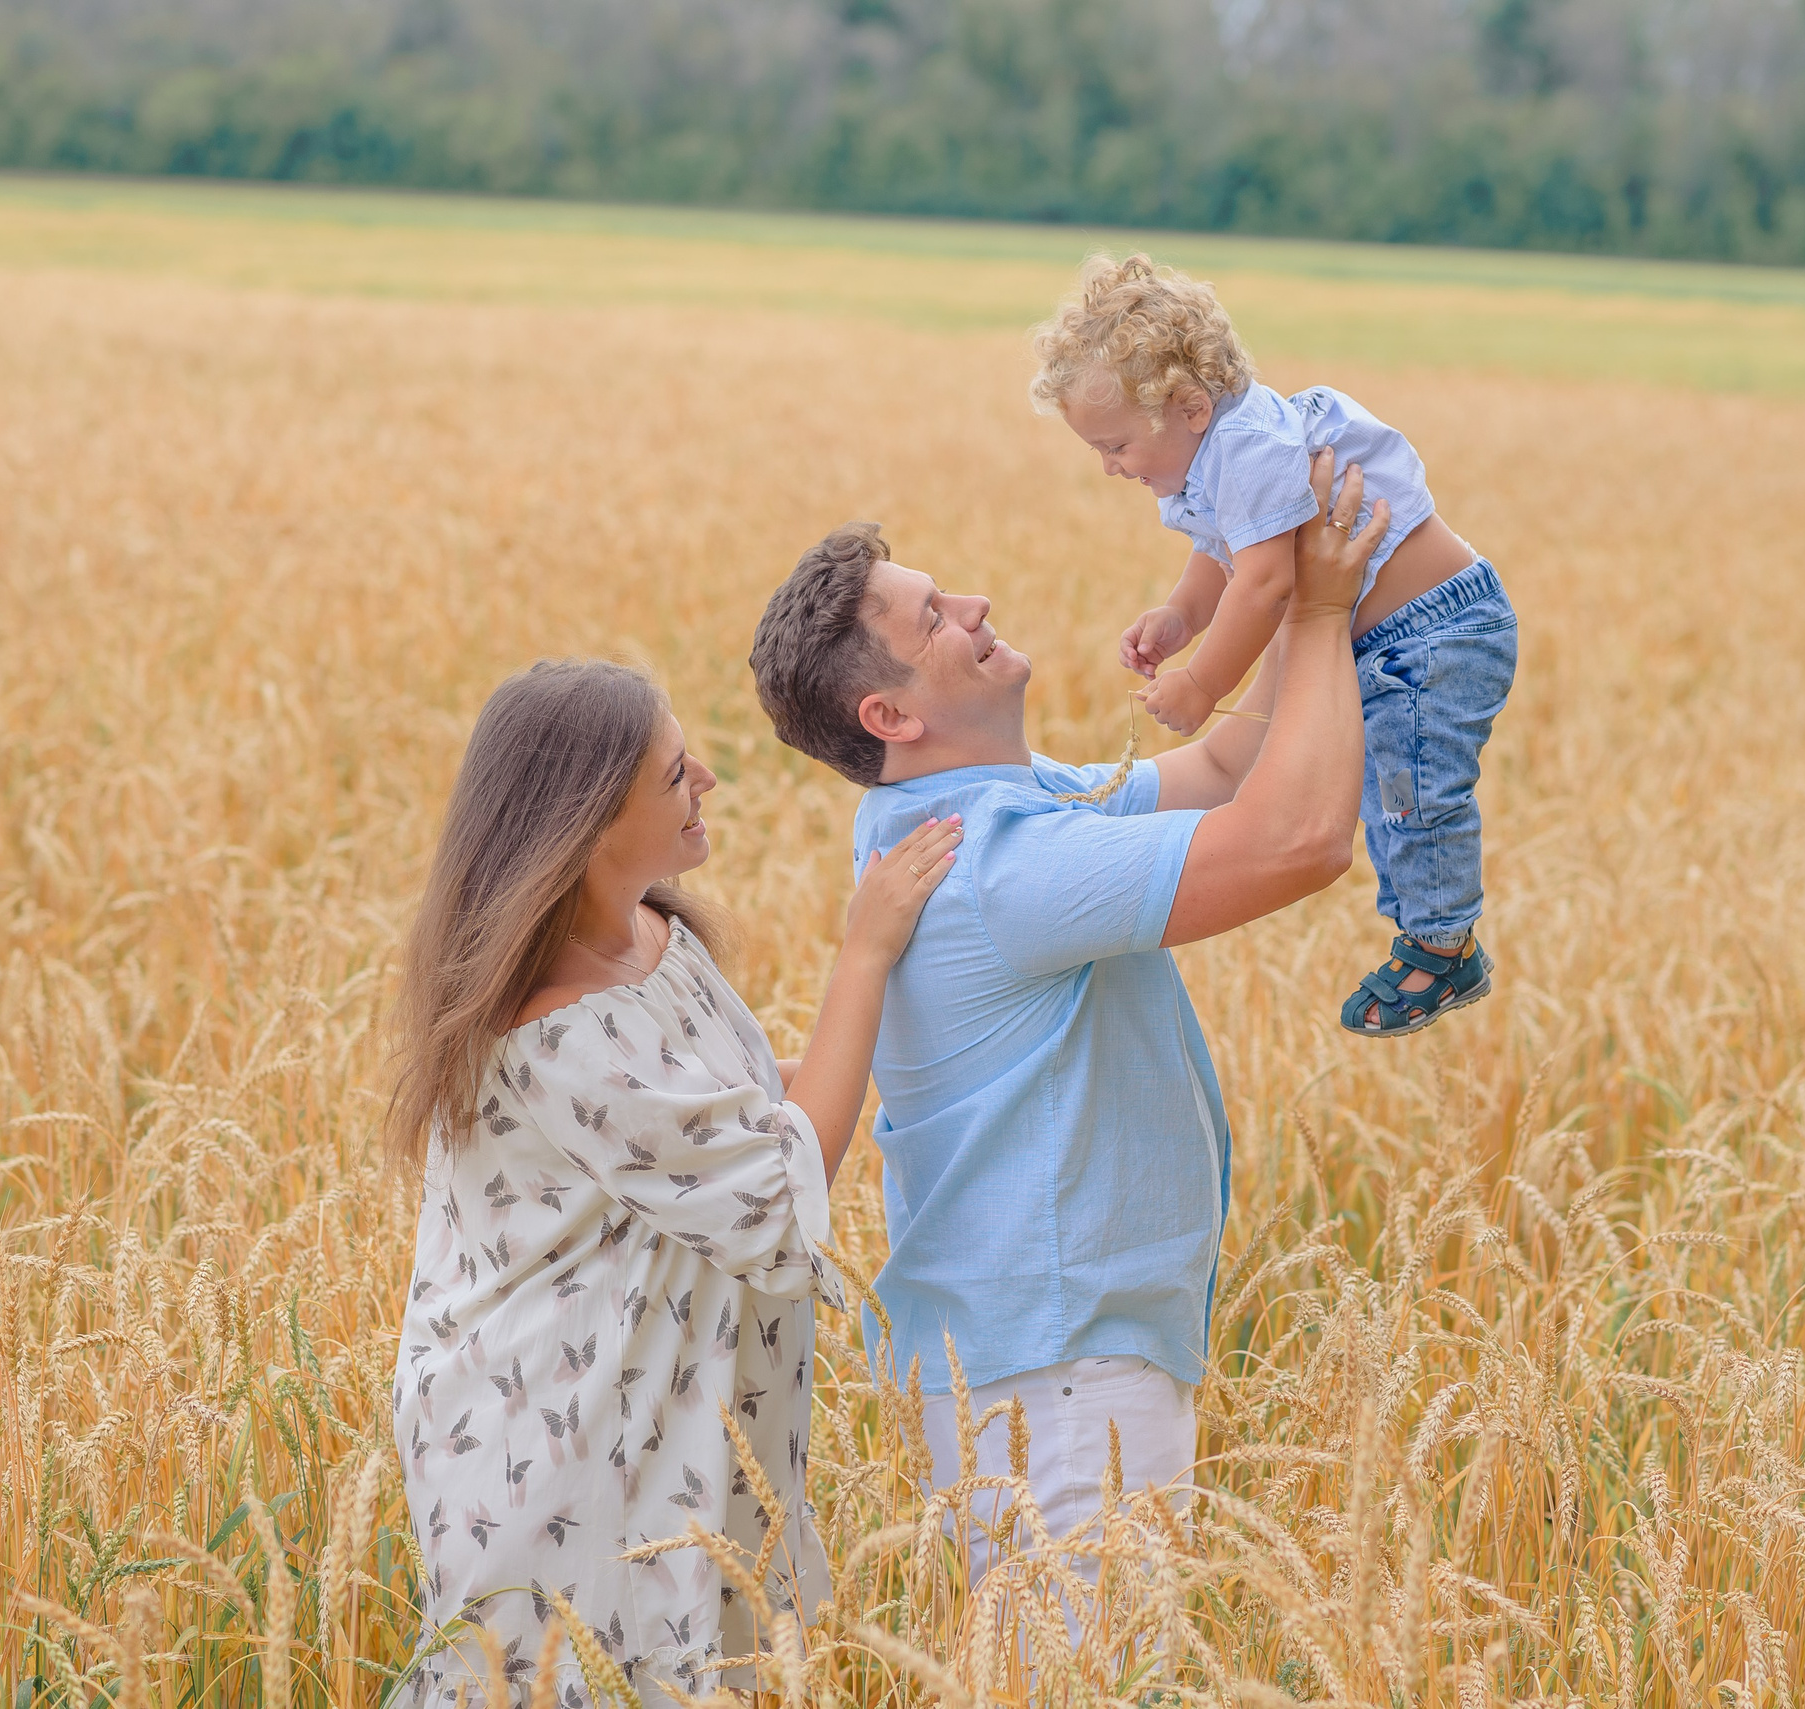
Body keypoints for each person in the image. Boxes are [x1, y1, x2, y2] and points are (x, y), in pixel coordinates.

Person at [747, 451, 1384, 1555]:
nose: (975, 604)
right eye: (935, 616)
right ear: (889, 711)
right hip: (1055, 1376)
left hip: (1045, 1355)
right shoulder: (997, 862)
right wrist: (1323, 609)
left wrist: (1275, 576)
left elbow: (1232, 765)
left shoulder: (979, 805)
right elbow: (1297, 839)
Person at [383, 660, 962, 1706]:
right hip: (565, 1441)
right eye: (670, 774)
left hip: (673, 1418)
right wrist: (865, 954)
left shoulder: (649, 931)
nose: (707, 776)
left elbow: (732, 1114)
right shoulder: (558, 1027)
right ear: (588, 821)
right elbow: (776, 1186)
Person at [1032, 253, 1521, 1037]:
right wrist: (1179, 618)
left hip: (1437, 632)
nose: (1109, 468)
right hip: (1384, 640)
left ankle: (1442, 942)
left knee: (1413, 789)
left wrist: (1200, 683)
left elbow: (1263, 584)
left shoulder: (1251, 446)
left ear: (1190, 405)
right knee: (1381, 789)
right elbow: (1223, 557)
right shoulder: (1217, 456)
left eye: (1116, 445)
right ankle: (1429, 933)